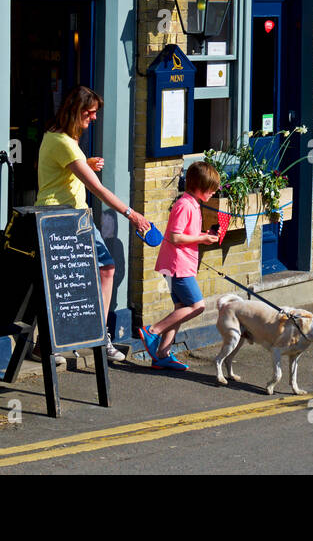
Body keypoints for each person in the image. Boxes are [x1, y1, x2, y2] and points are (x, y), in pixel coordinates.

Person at [36, 84, 150, 362]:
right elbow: (97, 189)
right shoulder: (61, 141)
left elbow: (63, 172)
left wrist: (83, 162)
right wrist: (132, 214)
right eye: (90, 112)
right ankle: (52, 342)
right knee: (62, 282)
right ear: (75, 111)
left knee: (105, 269)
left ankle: (96, 335)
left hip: (77, 216)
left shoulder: (62, 139)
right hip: (59, 219)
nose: (94, 118)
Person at [138, 161, 221, 371]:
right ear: (199, 186)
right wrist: (202, 239)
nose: (214, 192)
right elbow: (174, 236)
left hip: (179, 263)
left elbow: (184, 235)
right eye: (211, 188)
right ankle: (152, 331)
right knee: (197, 306)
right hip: (178, 265)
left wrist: (203, 236)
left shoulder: (192, 203)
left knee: (181, 308)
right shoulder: (185, 205)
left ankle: (162, 354)